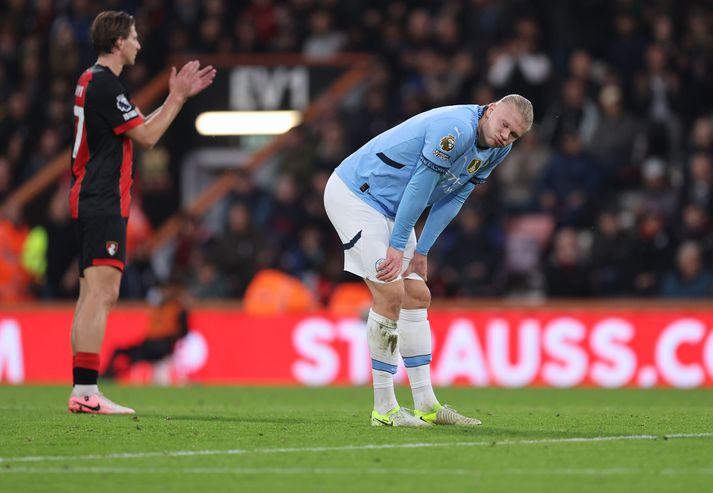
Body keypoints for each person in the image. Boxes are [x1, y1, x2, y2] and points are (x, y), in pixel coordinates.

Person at [324, 95, 533, 426]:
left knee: (418, 296)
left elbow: (457, 193)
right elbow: (421, 184)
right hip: (357, 195)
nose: (505, 136)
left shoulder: (498, 149)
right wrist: (397, 244)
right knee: (390, 293)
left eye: (513, 135)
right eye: (504, 125)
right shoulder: (454, 129)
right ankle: (385, 408)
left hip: (393, 208)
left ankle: (426, 404)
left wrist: (421, 251)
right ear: (490, 109)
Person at [68, 11, 215, 414]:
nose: (138, 44)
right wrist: (177, 96)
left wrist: (174, 98)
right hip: (102, 199)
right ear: (117, 43)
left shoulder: (90, 81)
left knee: (90, 295)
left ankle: (83, 388)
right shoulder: (104, 85)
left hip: (90, 198)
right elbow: (148, 136)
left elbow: (136, 129)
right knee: (102, 293)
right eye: (133, 37)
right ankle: (85, 390)